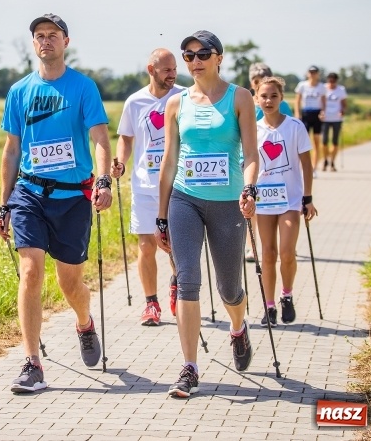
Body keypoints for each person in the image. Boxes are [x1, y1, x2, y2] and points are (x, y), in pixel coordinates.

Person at [0, 13, 113, 393]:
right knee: (30, 272)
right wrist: (4, 205)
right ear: (34, 44)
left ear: (66, 42)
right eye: (39, 36)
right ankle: (32, 363)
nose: (46, 41)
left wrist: (104, 180)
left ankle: (83, 322)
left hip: (72, 198)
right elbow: (12, 150)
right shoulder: (19, 92)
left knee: (71, 283)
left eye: (53, 35)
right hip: (29, 193)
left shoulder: (83, 88)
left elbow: (98, 138)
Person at [156, 30, 258, 398]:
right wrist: (161, 215)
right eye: (188, 55)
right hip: (185, 199)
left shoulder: (240, 98)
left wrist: (249, 188)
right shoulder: (176, 103)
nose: (195, 61)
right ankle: (189, 367)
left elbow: (251, 155)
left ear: (219, 57)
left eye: (202, 53)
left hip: (228, 202)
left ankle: (237, 327)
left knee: (229, 288)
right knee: (188, 280)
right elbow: (168, 163)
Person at [112, 49, 183, 325]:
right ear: (151, 70)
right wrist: (120, 161)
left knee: (176, 246)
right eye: (166, 69)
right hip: (144, 184)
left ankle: (178, 283)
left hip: (177, 184)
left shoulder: (183, 97)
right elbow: (126, 139)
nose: (172, 74)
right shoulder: (135, 102)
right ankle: (151, 304)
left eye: (174, 69)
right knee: (146, 245)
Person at [254, 76, 317, 326]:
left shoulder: (295, 127)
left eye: (273, 96)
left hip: (290, 199)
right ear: (256, 99)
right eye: (264, 96)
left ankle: (286, 295)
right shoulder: (253, 129)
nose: (268, 101)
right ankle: (269, 306)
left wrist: (308, 198)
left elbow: (306, 165)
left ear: (282, 98)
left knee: (287, 252)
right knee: (267, 255)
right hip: (263, 200)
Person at [244, 62, 291, 263]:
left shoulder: (283, 105)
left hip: (276, 163)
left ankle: (285, 244)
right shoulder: (246, 102)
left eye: (262, 81)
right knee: (252, 205)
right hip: (254, 162)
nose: (258, 85)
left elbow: (288, 130)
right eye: (255, 82)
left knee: (278, 206)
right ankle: (252, 246)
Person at [294, 66, 326, 176]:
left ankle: (314, 168)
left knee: (316, 142)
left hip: (316, 115)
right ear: (308, 74)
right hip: (306, 114)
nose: (312, 74)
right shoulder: (302, 85)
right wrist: (297, 114)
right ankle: (302, 168)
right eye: (311, 72)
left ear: (318, 74)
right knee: (303, 143)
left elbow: (323, 101)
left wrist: (323, 111)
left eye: (315, 72)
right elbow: (297, 100)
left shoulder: (321, 87)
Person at [321, 73, 347, 171]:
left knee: (335, 142)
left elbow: (344, 104)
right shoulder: (323, 88)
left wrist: (342, 111)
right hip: (325, 119)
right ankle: (325, 159)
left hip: (336, 119)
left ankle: (332, 161)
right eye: (330, 81)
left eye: (333, 81)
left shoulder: (341, 90)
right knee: (324, 142)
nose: (331, 83)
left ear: (336, 81)